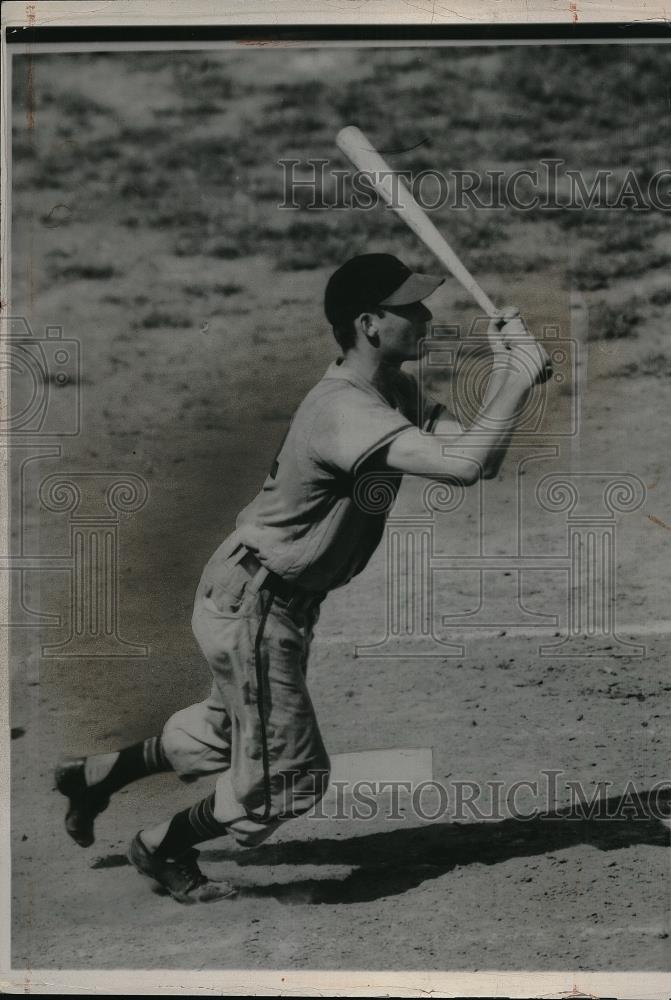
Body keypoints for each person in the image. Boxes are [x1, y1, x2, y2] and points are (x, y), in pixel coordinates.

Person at [55, 252, 550, 903]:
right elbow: (460, 466)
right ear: (369, 324)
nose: (426, 315)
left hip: (253, 597)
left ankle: (93, 776)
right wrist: (513, 377)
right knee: (288, 777)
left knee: (227, 729)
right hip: (256, 608)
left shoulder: (389, 391)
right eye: (410, 308)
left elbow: (474, 458)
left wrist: (509, 378)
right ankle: (161, 845)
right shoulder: (341, 410)